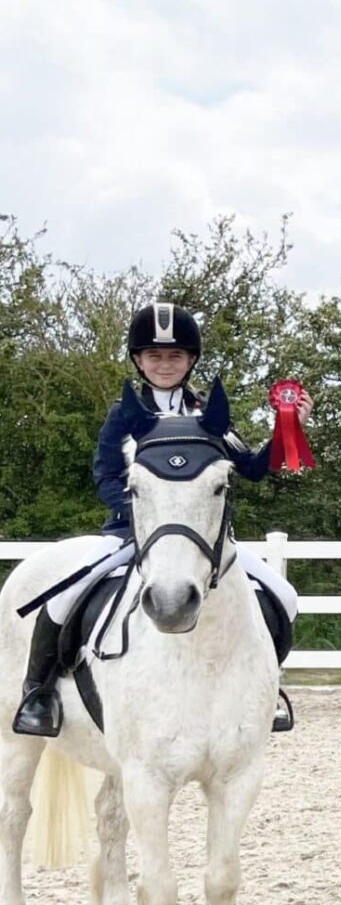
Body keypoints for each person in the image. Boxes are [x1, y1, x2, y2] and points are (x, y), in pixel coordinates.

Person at [13, 301, 308, 736]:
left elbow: (251, 467)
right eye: (154, 355)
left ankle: (268, 691)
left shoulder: (208, 415)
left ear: (190, 361)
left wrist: (288, 431)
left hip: (202, 542)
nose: (164, 364)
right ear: (138, 360)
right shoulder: (125, 414)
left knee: (283, 596)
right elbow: (105, 473)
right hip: (130, 533)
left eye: (174, 356)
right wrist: (139, 514)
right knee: (63, 598)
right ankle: (39, 693)